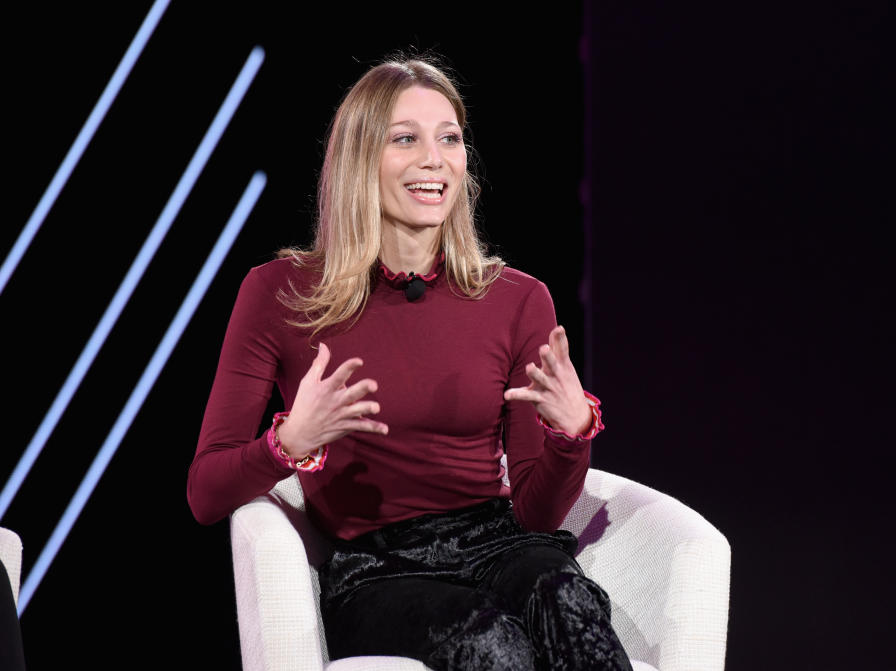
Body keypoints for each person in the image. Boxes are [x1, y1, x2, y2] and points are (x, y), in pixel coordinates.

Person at [187, 55, 631, 670]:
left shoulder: (516, 298)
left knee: (566, 599)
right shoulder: (280, 293)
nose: (434, 158)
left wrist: (569, 435)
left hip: (498, 541)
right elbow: (206, 493)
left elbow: (536, 512)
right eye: (406, 139)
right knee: (489, 643)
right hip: (376, 570)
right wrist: (289, 443)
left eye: (449, 138)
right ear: (359, 159)